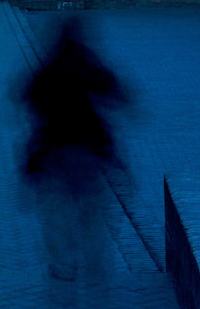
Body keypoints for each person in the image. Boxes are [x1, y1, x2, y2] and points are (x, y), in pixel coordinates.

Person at [14, 17, 131, 282]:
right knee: (90, 210)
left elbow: (23, 97)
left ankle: (63, 266)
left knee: (55, 213)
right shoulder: (88, 66)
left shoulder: (46, 71)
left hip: (52, 153)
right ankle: (94, 262)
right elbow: (118, 93)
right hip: (87, 152)